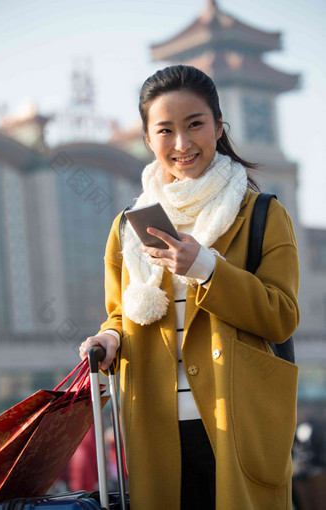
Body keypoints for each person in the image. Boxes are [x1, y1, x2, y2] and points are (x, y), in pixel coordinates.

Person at [79, 65, 300, 510]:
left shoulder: (260, 214)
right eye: (165, 130)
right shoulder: (128, 225)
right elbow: (121, 314)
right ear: (147, 139)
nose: (182, 144)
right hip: (155, 425)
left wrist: (206, 268)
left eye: (195, 124)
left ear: (219, 127)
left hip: (238, 424)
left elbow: (281, 317)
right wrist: (108, 336)